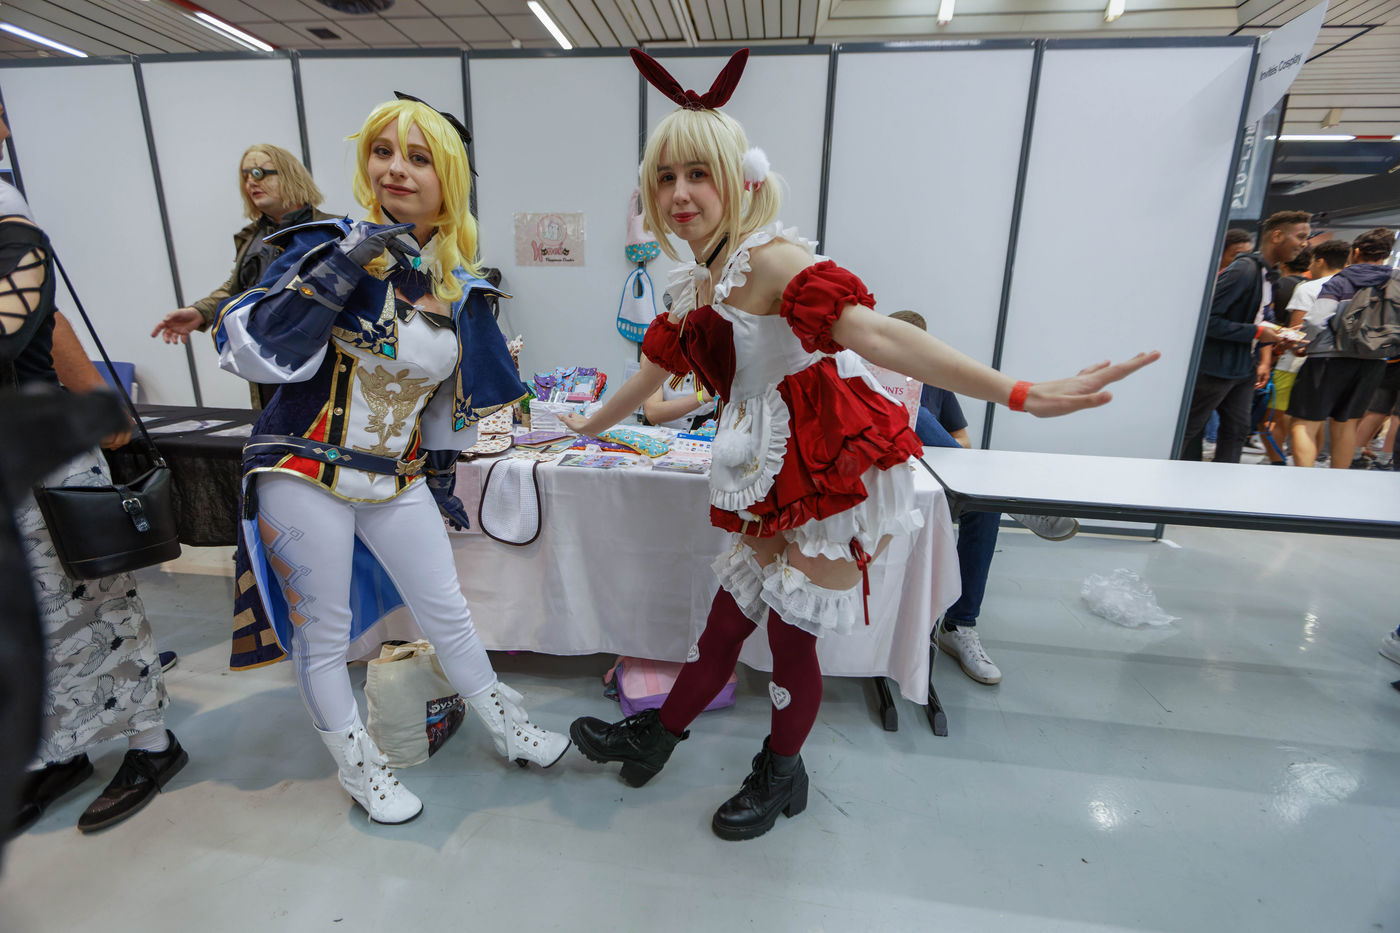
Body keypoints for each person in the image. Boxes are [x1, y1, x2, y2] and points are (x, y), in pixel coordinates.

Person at [564, 49, 1158, 841]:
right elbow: (653, 374)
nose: (679, 194)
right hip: (762, 466)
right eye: (666, 177)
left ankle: (782, 772)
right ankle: (658, 736)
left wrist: (1018, 391)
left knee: (789, 638)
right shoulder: (696, 281)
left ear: (739, 179)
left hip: (823, 467)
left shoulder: (771, 258)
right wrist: (589, 425)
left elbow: (875, 334)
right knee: (726, 625)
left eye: (698, 175)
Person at [213, 97, 568, 825]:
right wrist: (343, 266)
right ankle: (362, 770)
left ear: (450, 180)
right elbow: (258, 349)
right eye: (383, 152)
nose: (396, 169)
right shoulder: (324, 246)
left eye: (418, 157)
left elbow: (442, 404)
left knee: (449, 611)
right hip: (302, 467)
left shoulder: (458, 285)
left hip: (394, 475)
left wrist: (440, 477)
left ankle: (510, 728)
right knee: (325, 633)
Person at [151, 144, 335, 408]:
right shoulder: (252, 237)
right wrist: (200, 312)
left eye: (259, 173)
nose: (251, 182)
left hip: (321, 365)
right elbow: (238, 289)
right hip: (267, 364)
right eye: (246, 175)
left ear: (289, 175)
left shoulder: (331, 231)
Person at [1180, 211, 1310, 463]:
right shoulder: (1244, 270)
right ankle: (1174, 478)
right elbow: (1207, 320)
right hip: (1217, 368)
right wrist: (1258, 332)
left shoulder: (1266, 274)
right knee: (1190, 430)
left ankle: (1222, 482)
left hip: (1242, 366)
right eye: (1301, 236)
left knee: (1237, 431)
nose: (1304, 244)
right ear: (1277, 236)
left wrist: (1277, 337)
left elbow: (1256, 319)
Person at [1287, 228, 1397, 469]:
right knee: (1347, 423)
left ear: (1355, 252)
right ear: (1386, 256)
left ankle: (1302, 481)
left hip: (1328, 358)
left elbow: (1316, 320)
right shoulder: (1394, 283)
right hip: (1373, 361)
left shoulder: (1341, 281)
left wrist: (1302, 343)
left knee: (1305, 422)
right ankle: (1339, 481)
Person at [1271, 239, 1350, 465]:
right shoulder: (1352, 287)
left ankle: (1277, 464)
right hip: (1334, 363)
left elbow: (1298, 333)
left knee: (1278, 421)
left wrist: (1282, 344)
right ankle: (1313, 465)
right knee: (1317, 420)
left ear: (1320, 261)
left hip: (1295, 364)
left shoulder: (1309, 288)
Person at [644, 371, 715, 430]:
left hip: (700, 437)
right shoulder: (660, 360)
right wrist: (702, 397)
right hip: (654, 437)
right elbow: (652, 414)